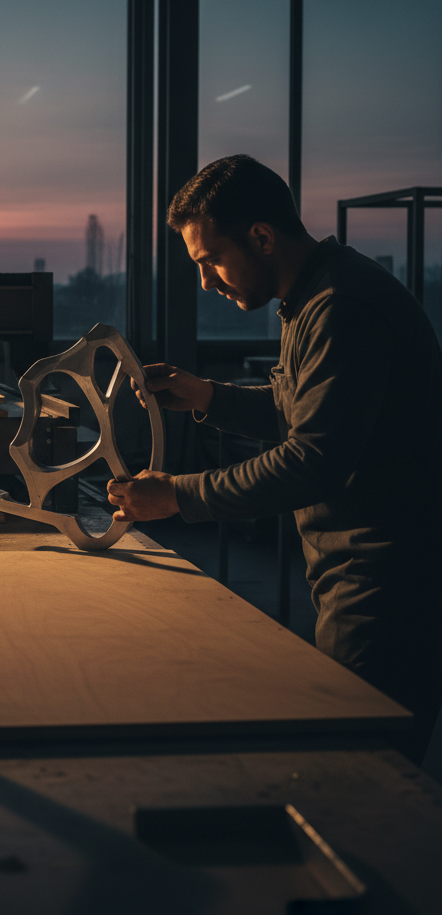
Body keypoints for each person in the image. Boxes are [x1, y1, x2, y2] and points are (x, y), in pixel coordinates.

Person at [107, 154, 442, 760]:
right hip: (359, 573)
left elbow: (314, 459)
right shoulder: (314, 294)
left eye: (209, 260)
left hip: (385, 585)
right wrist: (207, 396)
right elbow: (306, 409)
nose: (206, 281)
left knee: (361, 777)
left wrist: (177, 495)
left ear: (261, 236)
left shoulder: (342, 307)